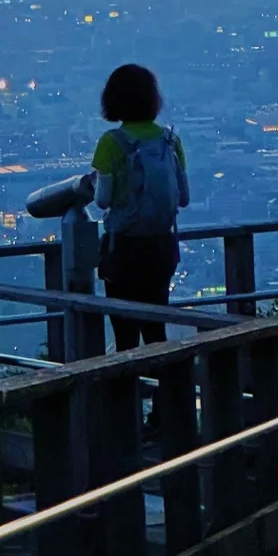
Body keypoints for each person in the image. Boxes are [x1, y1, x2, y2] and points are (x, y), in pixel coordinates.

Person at [92, 64, 189, 353]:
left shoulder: (111, 143)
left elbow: (102, 200)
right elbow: (183, 197)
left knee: (125, 334)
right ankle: (165, 394)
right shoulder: (169, 141)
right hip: (161, 246)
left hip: (122, 248)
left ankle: (127, 395)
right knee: (155, 329)